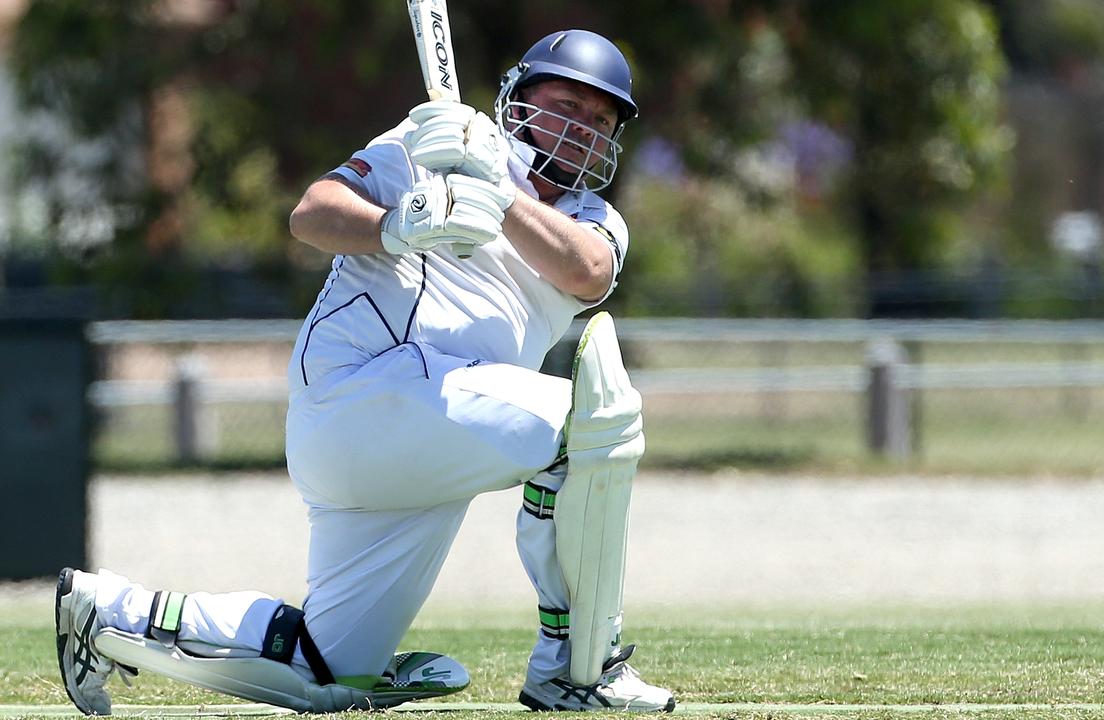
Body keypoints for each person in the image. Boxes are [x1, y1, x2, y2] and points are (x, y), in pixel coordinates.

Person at [55, 29, 675, 714]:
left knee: (326, 671)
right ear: (520, 100)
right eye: (568, 105)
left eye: (600, 120)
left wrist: (492, 191)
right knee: (593, 424)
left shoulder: (593, 219)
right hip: (366, 389)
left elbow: (584, 273)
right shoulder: (436, 136)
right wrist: (394, 226)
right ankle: (579, 670)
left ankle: (103, 611)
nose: (582, 129)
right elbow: (311, 214)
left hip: (427, 440)